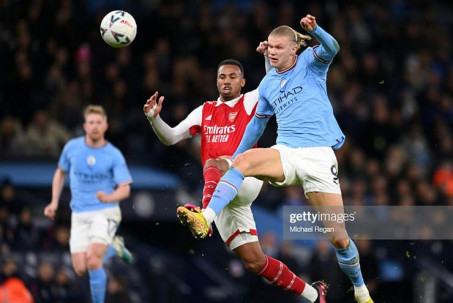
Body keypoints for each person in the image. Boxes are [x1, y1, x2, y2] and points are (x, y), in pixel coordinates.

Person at [177, 14, 374, 303]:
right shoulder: (268, 83)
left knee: (339, 238)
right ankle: (206, 216)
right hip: (287, 153)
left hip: (319, 157)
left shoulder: (311, 63)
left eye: (278, 47)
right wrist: (235, 155)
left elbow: (333, 48)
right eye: (269, 47)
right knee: (240, 164)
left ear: (294, 49)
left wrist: (315, 30)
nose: (272, 51)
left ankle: (360, 290)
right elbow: (257, 124)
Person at [144, 53, 327, 302]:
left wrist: (272, 54)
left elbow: (274, 79)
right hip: (222, 194)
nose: (226, 81)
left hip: (246, 176)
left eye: (233, 76)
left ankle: (204, 217)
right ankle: (314, 295)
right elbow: (172, 137)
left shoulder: (251, 101)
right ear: (216, 81)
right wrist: (154, 119)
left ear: (242, 82)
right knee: (254, 261)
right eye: (222, 77)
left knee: (214, 162)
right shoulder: (205, 111)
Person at [44, 105, 134, 303]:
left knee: (93, 260)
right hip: (80, 214)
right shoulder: (72, 148)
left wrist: (109, 198)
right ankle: (114, 247)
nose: (95, 126)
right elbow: (60, 173)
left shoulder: (113, 154)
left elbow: (125, 188)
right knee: (81, 268)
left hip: (106, 211)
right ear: (85, 126)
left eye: (98, 123)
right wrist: (54, 202)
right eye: (91, 122)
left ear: (106, 126)